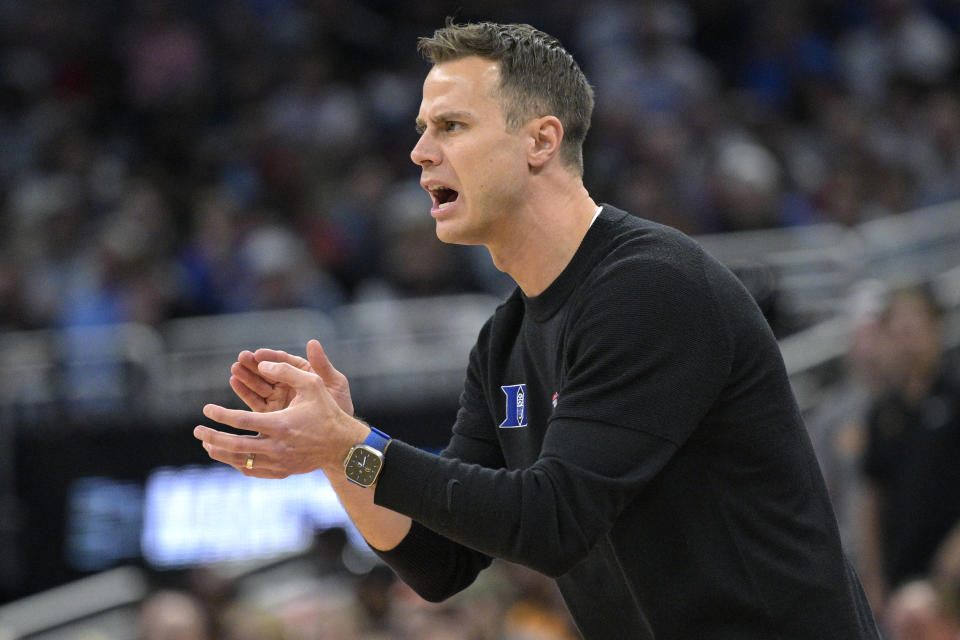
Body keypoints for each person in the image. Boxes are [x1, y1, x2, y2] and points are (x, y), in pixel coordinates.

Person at [194, 20, 880, 639]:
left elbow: (553, 522)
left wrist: (353, 444)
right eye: (421, 129)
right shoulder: (505, 340)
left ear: (541, 141)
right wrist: (339, 453)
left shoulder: (651, 287)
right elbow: (440, 562)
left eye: (451, 126)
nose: (419, 153)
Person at [859, 285, 960, 616]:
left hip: (952, 572)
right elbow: (872, 498)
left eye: (915, 329)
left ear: (935, 329)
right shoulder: (881, 412)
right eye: (898, 331)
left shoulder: (955, 393)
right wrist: (873, 579)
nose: (907, 342)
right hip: (903, 575)